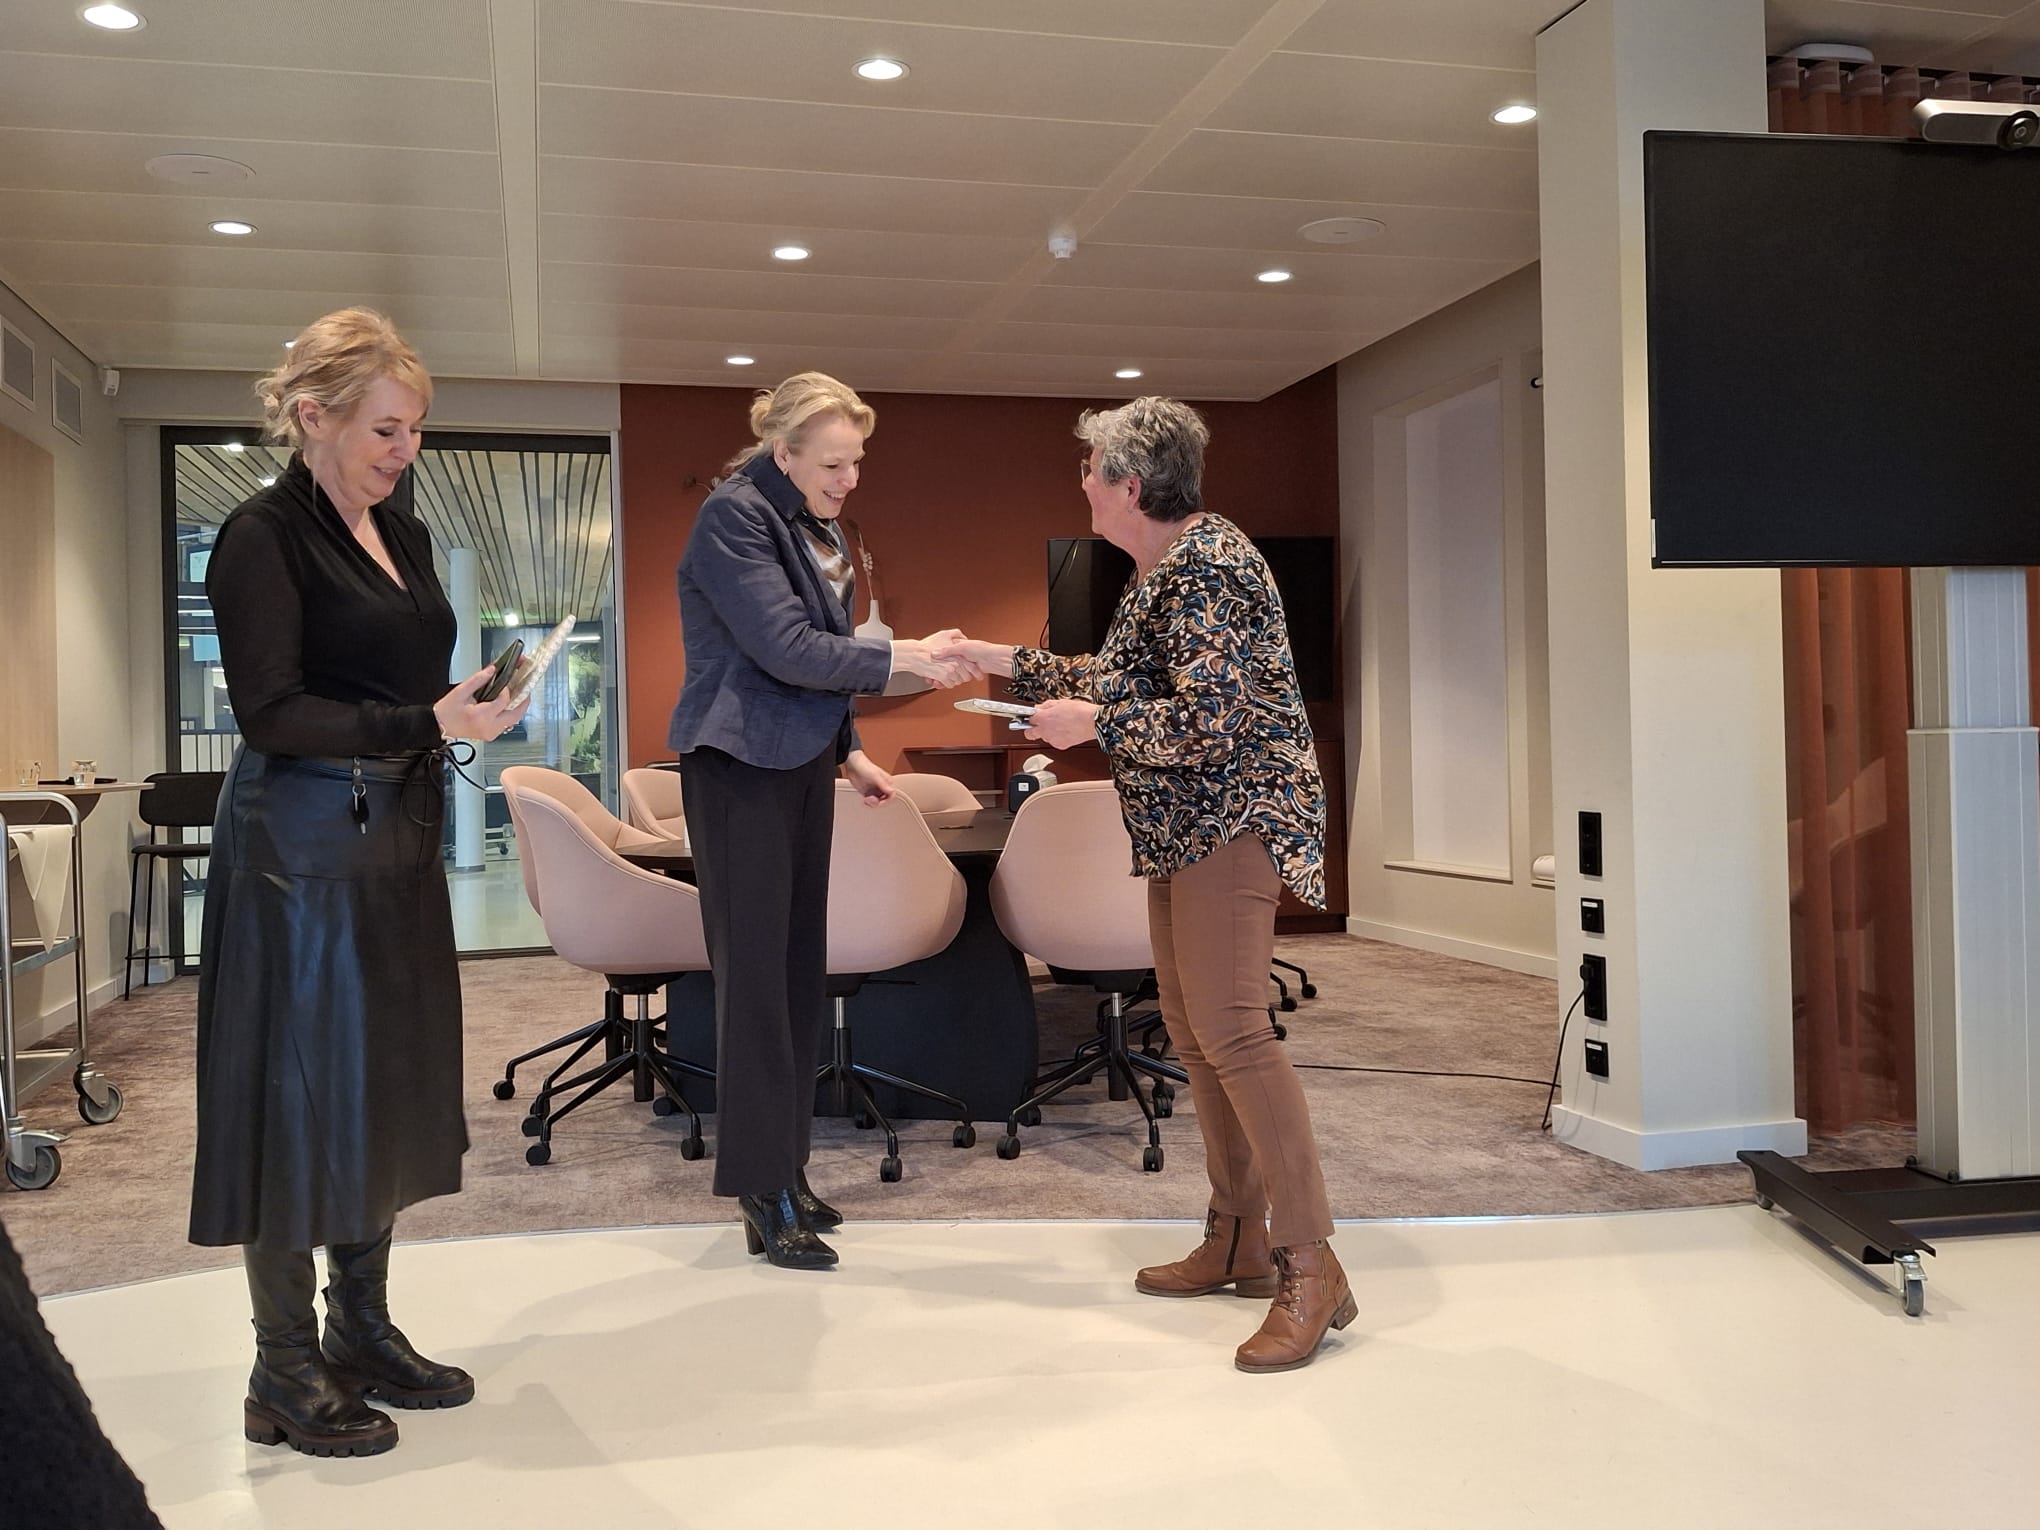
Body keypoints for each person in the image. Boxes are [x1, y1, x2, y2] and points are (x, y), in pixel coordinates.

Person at [937, 397, 1351, 1372]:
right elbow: (1114, 679)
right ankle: (1237, 1235)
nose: (1081, 481)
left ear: (1129, 484)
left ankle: (1311, 1263)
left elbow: (1209, 721)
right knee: (1196, 1032)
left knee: (1234, 1031)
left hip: (1231, 820)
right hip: (1182, 827)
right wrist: (995, 659)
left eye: (1090, 467)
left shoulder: (1207, 568)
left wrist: (1093, 728)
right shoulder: (1162, 569)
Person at [191, 309, 530, 1456]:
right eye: (386, 428)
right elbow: (271, 712)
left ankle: (361, 1329)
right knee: (297, 1096)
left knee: (378, 1082)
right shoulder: (263, 535)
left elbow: (402, 684)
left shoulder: (407, 533)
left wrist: (464, 709)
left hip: (392, 835)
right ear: (313, 416)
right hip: (298, 850)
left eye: (415, 429)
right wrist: (424, 722)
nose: (405, 450)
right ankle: (283, 1366)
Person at [670, 371, 970, 1271]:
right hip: (739, 769)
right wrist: (904, 657)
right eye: (834, 463)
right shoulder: (733, 518)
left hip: (797, 761)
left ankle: (787, 1170)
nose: (849, 479)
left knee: (798, 974)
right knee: (757, 983)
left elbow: (820, 662)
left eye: (857, 462)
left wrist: (850, 751)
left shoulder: (814, 523)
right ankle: (759, 1187)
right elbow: (786, 649)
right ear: (784, 451)